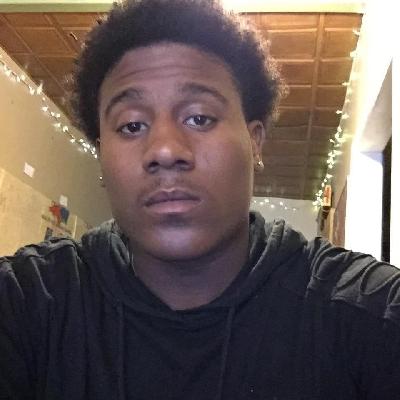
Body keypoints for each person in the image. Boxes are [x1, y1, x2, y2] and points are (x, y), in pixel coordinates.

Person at [0, 0, 399, 399]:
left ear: (254, 141)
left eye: (199, 118)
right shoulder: (27, 303)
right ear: (102, 154)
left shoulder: (365, 311)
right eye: (132, 125)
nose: (165, 150)